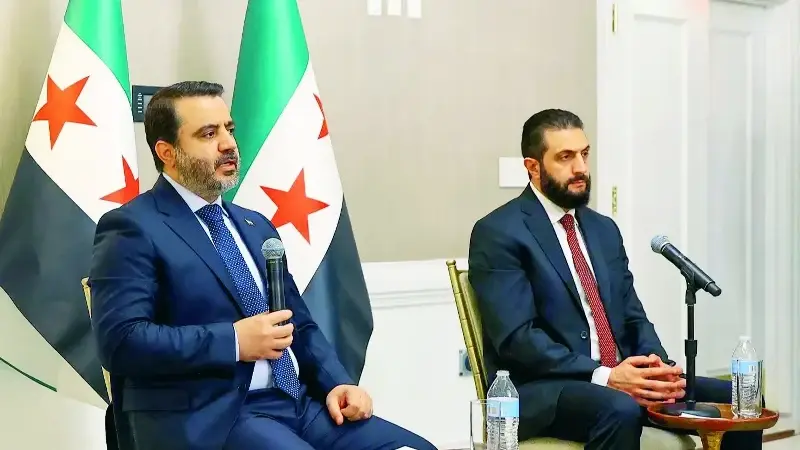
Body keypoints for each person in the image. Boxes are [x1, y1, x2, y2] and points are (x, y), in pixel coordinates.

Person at [89, 81, 436, 450]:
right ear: (167, 152)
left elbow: (297, 323)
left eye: (229, 129)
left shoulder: (255, 226)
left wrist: (337, 382)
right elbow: (122, 342)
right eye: (209, 134)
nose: (228, 144)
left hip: (298, 405)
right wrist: (234, 342)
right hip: (212, 418)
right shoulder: (132, 227)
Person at [467, 109, 762, 450]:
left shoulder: (602, 229)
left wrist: (657, 367)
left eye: (584, 154)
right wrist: (606, 376)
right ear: (533, 167)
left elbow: (632, 314)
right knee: (620, 408)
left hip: (618, 376)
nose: (580, 168)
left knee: (741, 397)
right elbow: (518, 339)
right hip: (542, 388)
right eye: (565, 157)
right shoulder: (500, 232)